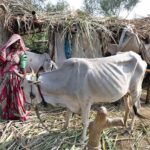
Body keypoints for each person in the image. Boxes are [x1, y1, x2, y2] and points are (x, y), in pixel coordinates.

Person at [0, 34, 28, 121]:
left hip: (15, 77)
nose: (17, 44)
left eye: (18, 42)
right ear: (11, 43)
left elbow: (23, 67)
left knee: (17, 95)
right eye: (15, 42)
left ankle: (19, 114)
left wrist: (23, 75)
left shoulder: (21, 53)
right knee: (6, 95)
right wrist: (3, 51)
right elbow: (2, 63)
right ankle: (8, 114)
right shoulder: (7, 52)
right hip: (6, 77)